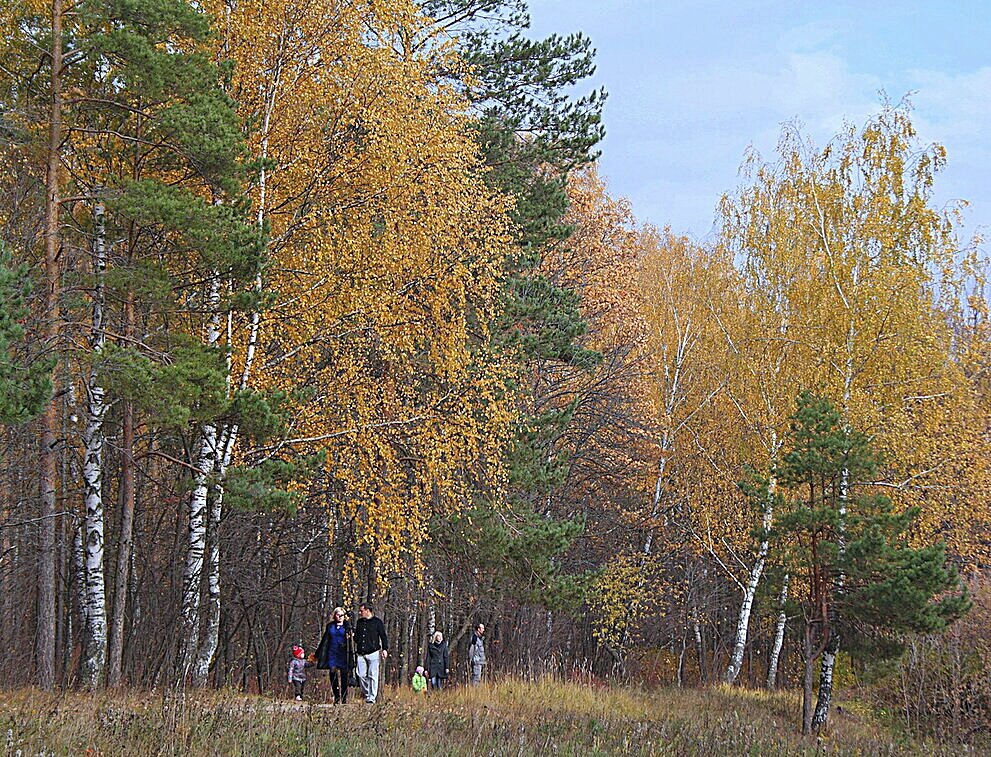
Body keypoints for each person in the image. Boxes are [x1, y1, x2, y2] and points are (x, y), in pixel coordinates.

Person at [316, 606, 355, 704]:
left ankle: (344, 697)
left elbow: (352, 639)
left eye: (342, 615)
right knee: (332, 672)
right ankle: (336, 696)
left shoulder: (347, 626)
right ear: (335, 616)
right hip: (332, 652)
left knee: (344, 674)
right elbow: (325, 639)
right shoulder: (330, 626)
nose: (340, 617)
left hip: (343, 653)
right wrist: (318, 653)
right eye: (338, 615)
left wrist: (350, 636)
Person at [354, 602, 388, 703]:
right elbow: (357, 638)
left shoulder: (377, 622)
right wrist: (353, 636)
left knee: (373, 675)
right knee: (360, 674)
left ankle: (371, 698)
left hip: (373, 652)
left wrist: (385, 649)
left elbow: (383, 636)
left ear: (367, 611)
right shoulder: (359, 622)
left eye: (362, 611)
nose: (360, 613)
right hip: (361, 653)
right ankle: (367, 693)